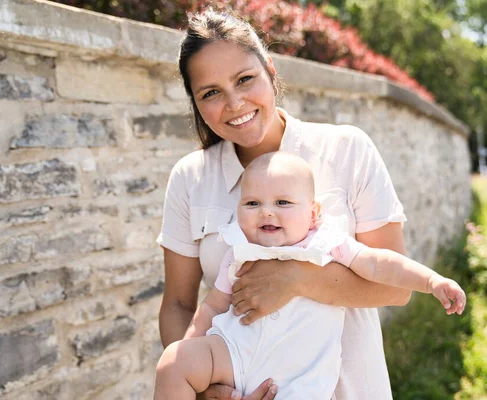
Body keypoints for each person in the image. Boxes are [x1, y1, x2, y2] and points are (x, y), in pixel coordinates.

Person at [158, 8, 420, 400]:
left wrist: (297, 280)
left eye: (245, 79)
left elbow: (396, 289)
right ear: (195, 102)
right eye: (210, 92)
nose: (234, 103)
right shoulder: (189, 178)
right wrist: (206, 391)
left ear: (270, 70)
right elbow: (178, 303)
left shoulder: (346, 149)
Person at [154, 152, 466, 400]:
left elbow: (377, 263)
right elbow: (212, 306)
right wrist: (191, 351)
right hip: (233, 355)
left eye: (282, 203)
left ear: (313, 213)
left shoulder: (326, 242)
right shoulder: (239, 249)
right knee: (173, 363)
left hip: (297, 377)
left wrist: (430, 281)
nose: (266, 212)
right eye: (252, 203)